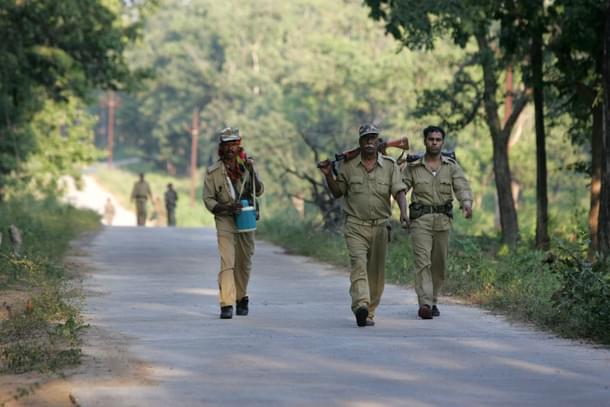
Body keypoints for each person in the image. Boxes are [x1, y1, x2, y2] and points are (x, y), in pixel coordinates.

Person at [319, 124, 408, 327]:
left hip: (380, 226)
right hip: (355, 226)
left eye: (373, 139)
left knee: (376, 273)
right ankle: (361, 304)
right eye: (365, 139)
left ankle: (369, 312)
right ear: (360, 142)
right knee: (358, 265)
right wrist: (327, 175)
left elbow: (399, 191)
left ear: (378, 142)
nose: (369, 142)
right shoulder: (348, 166)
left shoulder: (390, 165)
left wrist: (404, 213)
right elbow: (338, 192)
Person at [402, 125, 473, 319]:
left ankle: (433, 300)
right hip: (421, 221)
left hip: (443, 220)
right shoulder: (414, 167)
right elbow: (400, 187)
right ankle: (424, 303)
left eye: (438, 139)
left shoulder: (451, 166)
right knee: (422, 262)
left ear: (442, 142)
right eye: (431, 139)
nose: (434, 142)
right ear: (425, 141)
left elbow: (461, 186)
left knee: (439, 263)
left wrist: (466, 204)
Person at [202, 127, 264, 319]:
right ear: (221, 147)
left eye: (234, 144)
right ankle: (226, 303)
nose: (231, 149)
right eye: (227, 145)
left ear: (239, 146)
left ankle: (241, 297)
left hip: (246, 218)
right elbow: (208, 200)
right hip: (225, 219)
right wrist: (226, 208)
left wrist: (252, 170)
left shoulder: (246, 166)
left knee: (244, 263)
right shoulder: (213, 172)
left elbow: (259, 190)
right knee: (227, 262)